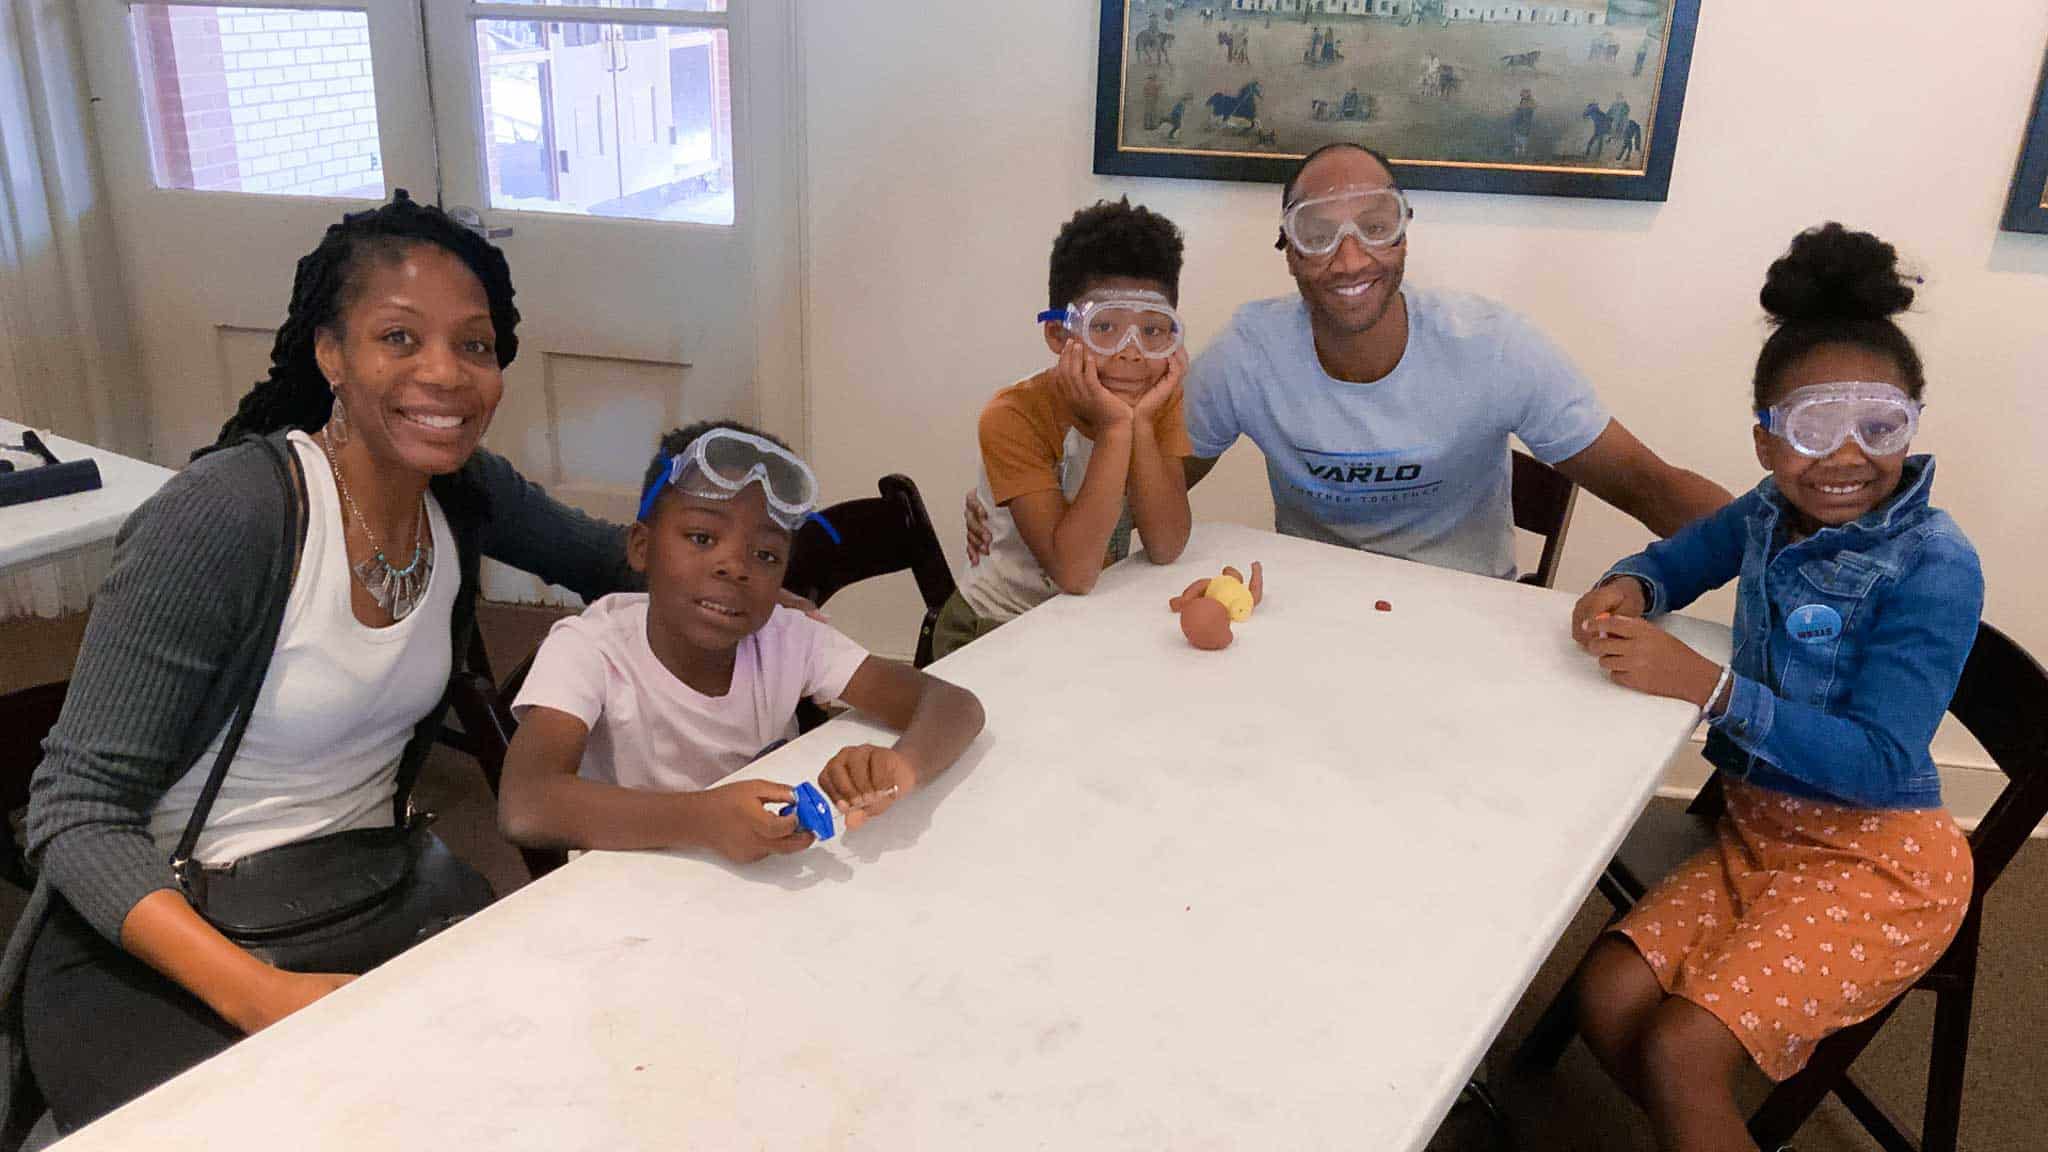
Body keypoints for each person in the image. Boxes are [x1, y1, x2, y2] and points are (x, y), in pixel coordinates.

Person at [1, 192, 642, 1135]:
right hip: (164, 938)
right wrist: (261, 997)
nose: (447, 376)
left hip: (375, 889)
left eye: (475, 345)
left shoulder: (460, 492)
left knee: (583, 1081)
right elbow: (75, 808)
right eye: (399, 338)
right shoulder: (231, 513)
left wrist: (749, 553)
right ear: (330, 355)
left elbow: (619, 558)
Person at [1568, 224, 1979, 1151]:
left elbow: (1881, 762)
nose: (1846, 457)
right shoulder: (1763, 514)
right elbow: (1681, 557)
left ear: (1912, 421)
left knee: (1679, 1050)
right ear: (1764, 442)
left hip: (1880, 863)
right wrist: (1633, 581)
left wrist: (1712, 691)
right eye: (1810, 428)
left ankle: (1697, 1111)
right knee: (1607, 992)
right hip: (1761, 832)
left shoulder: (1936, 564)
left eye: (1879, 425)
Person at [965, 144, 1727, 582]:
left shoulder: (1494, 348)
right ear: (1288, 251)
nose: (1350, 255)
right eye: (1318, 232)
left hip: (1470, 613)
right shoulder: (1247, 359)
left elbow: (1647, 485)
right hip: (1307, 615)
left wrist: (1809, 558)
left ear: (1405, 237)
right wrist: (1017, 520)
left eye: (1376, 223)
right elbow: (1148, 496)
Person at [496, 422, 984, 857]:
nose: (735, 567)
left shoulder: (787, 638)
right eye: (702, 538)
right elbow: (526, 804)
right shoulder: (590, 650)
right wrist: (702, 819)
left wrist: (902, 766)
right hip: (635, 887)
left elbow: (952, 704)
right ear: (642, 548)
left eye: (767, 555)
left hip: (761, 878)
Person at [938, 199, 1194, 659]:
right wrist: (1118, 427)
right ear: (1059, 335)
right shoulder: (1012, 415)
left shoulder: (1160, 399)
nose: (1132, 353)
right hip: (995, 628)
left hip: (1086, 620)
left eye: (1153, 331)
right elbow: (1074, 572)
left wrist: (1138, 424)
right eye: (1105, 328)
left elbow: (1167, 543)